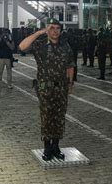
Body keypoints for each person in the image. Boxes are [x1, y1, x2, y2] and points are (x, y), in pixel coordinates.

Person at [19, 18, 75, 161]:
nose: (55, 31)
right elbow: (22, 47)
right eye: (51, 28)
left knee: (59, 117)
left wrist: (70, 85)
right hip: (45, 87)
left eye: (57, 28)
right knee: (47, 117)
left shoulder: (65, 46)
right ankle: (47, 147)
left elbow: (70, 66)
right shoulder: (39, 45)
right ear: (46, 30)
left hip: (61, 87)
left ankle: (56, 146)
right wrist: (38, 33)